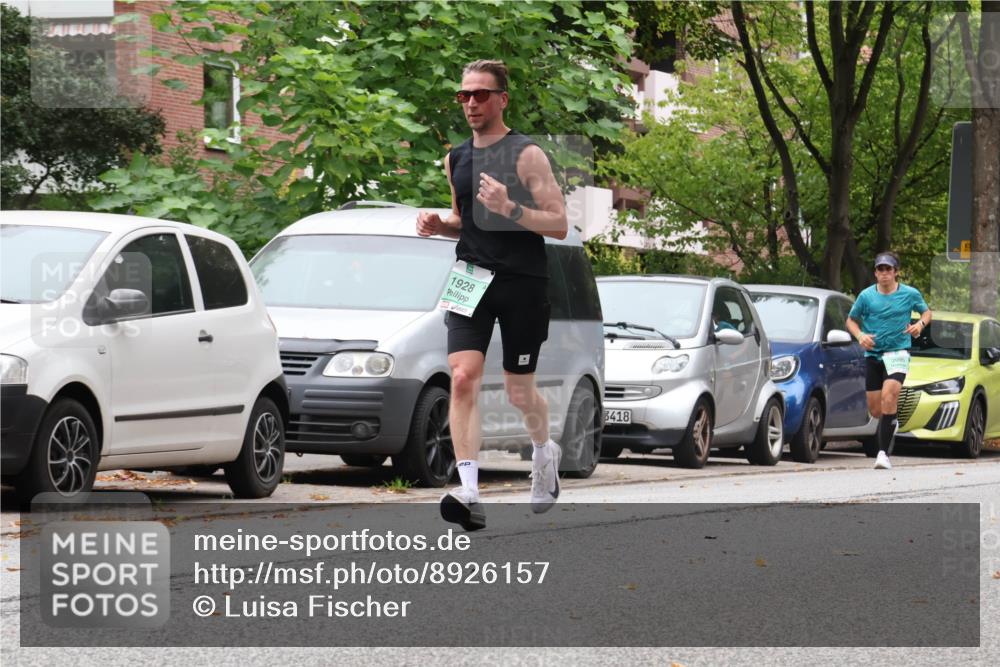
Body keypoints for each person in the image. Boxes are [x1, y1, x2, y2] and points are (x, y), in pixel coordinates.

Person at [416, 60, 568, 530]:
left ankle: (545, 452)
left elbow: (559, 223)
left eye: (481, 94)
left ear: (503, 98)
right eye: (464, 96)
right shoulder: (455, 158)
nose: (471, 103)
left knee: (521, 390)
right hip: (469, 277)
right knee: (462, 377)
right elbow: (468, 219)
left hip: (522, 280)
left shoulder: (527, 155)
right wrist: (443, 225)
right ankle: (469, 490)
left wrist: (510, 206)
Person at [846, 251, 931, 470]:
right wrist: (860, 336)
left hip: (898, 353)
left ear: (896, 273)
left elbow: (927, 313)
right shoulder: (866, 296)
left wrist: (919, 325)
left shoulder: (910, 294)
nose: (884, 274)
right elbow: (851, 321)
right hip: (873, 355)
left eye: (888, 270)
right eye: (880, 270)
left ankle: (883, 454)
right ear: (875, 273)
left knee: (889, 396)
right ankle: (891, 421)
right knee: (876, 410)